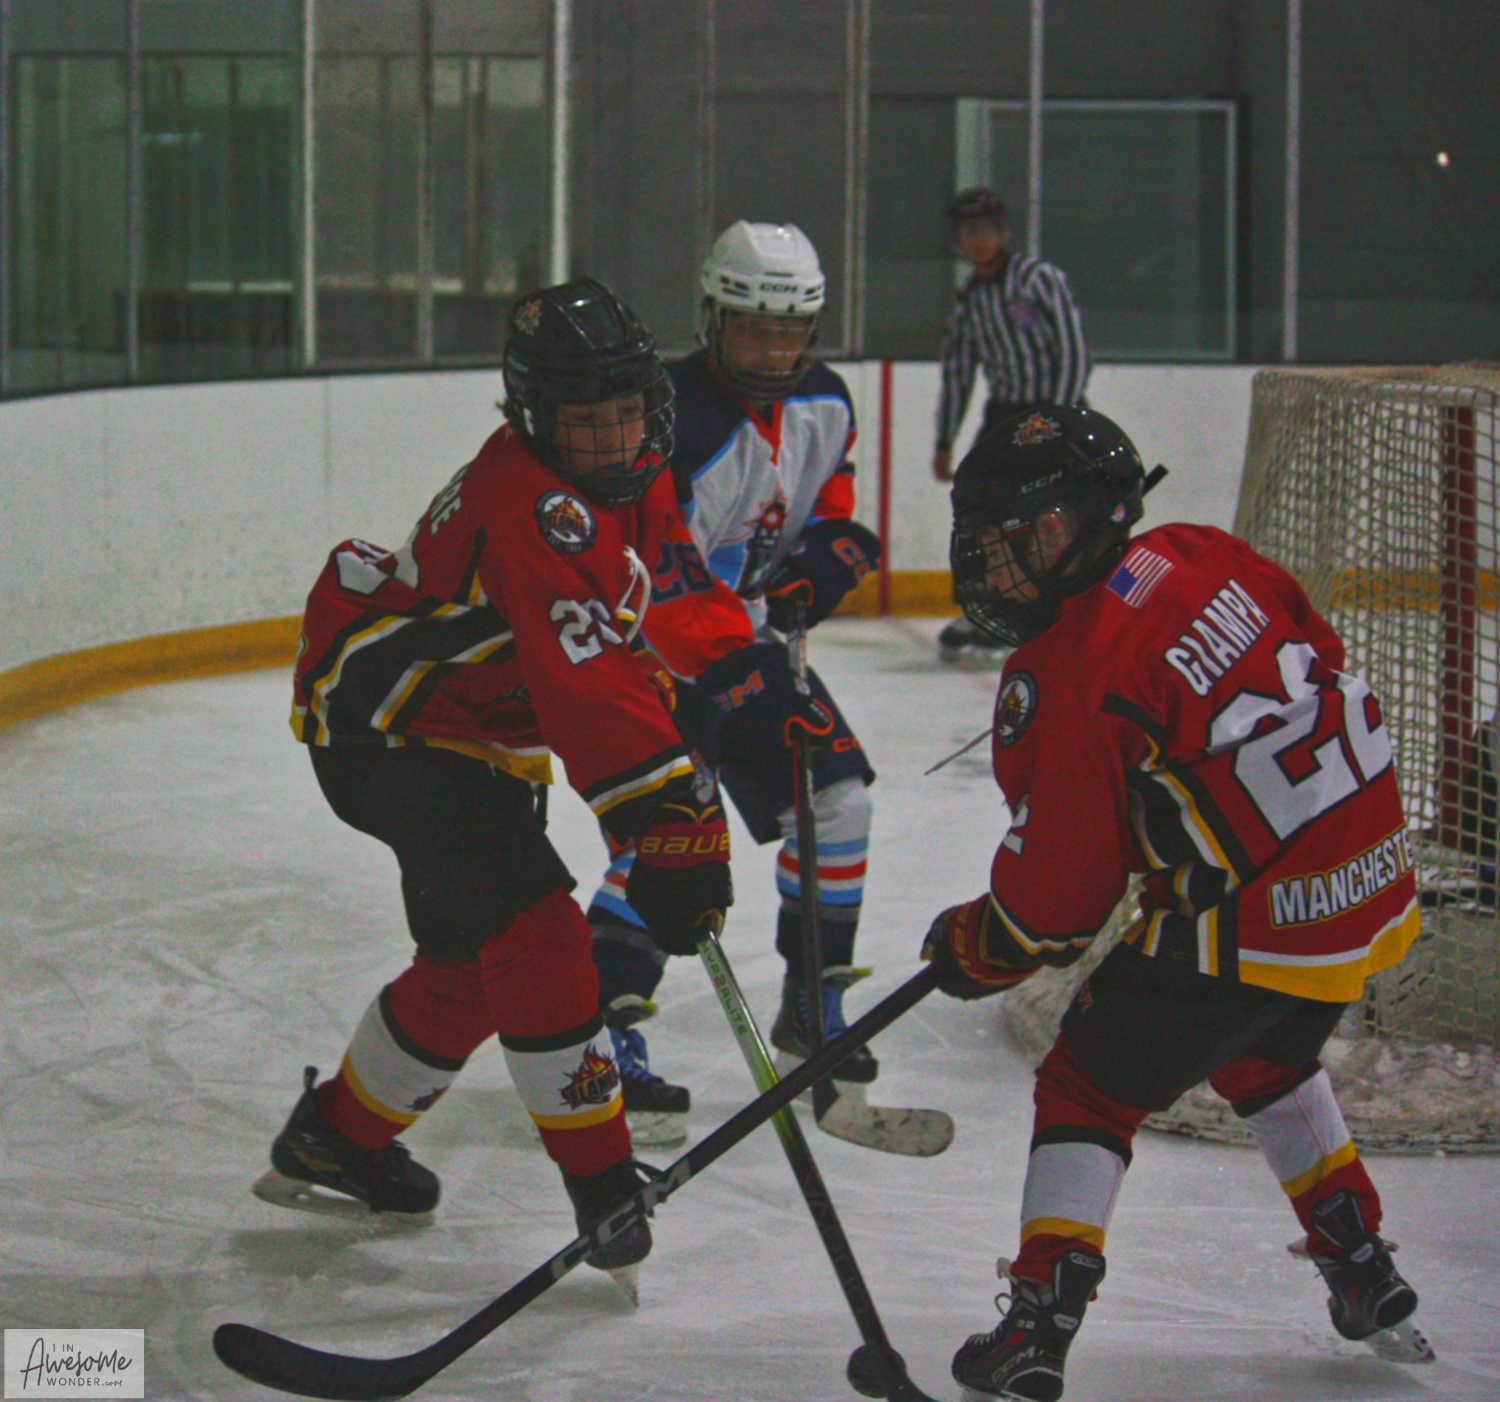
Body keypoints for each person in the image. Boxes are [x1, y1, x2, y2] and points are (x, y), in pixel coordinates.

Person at [920, 407, 1432, 1400]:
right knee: (1262, 1053)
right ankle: (1362, 1264)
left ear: (1093, 516)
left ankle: (1040, 1319)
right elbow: (1317, 649)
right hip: (1366, 879)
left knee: (1088, 1084)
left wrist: (979, 944)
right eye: (992, 542)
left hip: (1265, 911)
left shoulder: (1071, 667)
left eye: (1028, 535)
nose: (1003, 566)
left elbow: (1056, 904)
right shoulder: (1199, 550)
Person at [256, 279, 732, 1281]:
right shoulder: (533, 508)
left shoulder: (621, 476)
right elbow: (588, 685)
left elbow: (630, 618)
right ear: (534, 418)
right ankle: (602, 1184)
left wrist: (718, 694)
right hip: (391, 727)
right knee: (537, 932)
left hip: (471, 727)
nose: (614, 439)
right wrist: (670, 818)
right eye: (586, 421)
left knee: (468, 968)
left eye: (627, 412)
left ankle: (334, 1136)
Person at [584, 221, 882, 1141]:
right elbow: (661, 573)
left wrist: (829, 554)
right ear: (714, 321)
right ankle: (604, 1041)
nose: (772, 351)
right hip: (643, 647)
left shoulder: (826, 401)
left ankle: (813, 999)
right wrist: (743, 677)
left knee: (839, 801)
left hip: (739, 640)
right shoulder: (669, 416)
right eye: (754, 329)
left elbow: (827, 506)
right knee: (668, 837)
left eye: (790, 332)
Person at [932, 187, 1091, 663]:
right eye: (967, 232)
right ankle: (986, 605)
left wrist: (1058, 418)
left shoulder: (1038, 279)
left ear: (1003, 232)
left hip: (1055, 408)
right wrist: (944, 439)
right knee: (980, 510)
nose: (976, 239)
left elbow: (1074, 350)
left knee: (1060, 512)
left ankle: (1059, 606)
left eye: (984, 229)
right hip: (1005, 415)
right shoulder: (968, 299)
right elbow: (958, 371)